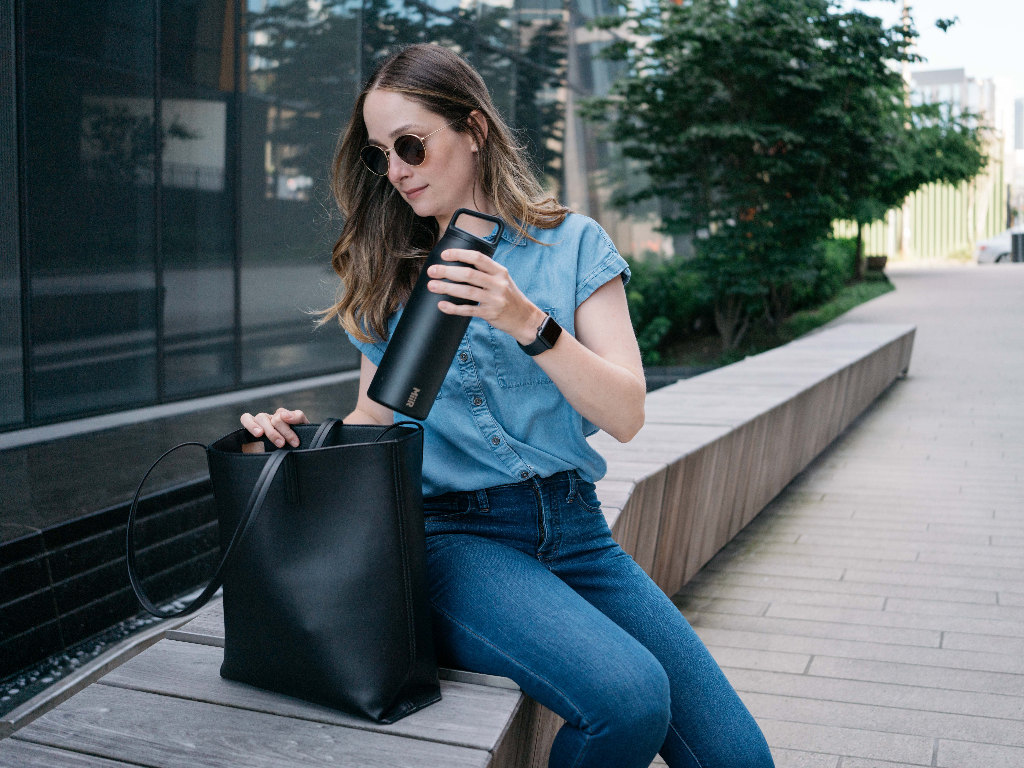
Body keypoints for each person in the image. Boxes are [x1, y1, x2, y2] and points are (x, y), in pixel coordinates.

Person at [240, 42, 775, 768]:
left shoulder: (572, 245)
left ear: (474, 131)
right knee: (629, 700)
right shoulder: (394, 272)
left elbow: (626, 413)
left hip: (577, 531)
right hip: (455, 542)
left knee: (742, 759)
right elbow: (374, 421)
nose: (395, 171)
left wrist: (527, 321)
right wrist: (291, 440)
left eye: (410, 145)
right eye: (379, 154)